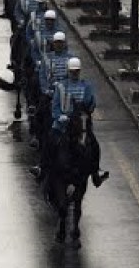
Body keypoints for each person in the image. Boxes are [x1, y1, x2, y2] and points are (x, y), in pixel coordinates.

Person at [45, 57, 108, 187]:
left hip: (80, 125)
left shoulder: (86, 86)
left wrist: (90, 105)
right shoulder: (61, 86)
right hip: (62, 125)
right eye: (72, 71)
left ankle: (95, 173)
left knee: (95, 145)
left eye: (77, 71)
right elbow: (55, 106)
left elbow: (91, 104)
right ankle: (43, 167)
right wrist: (59, 116)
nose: (74, 73)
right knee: (50, 141)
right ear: (68, 71)